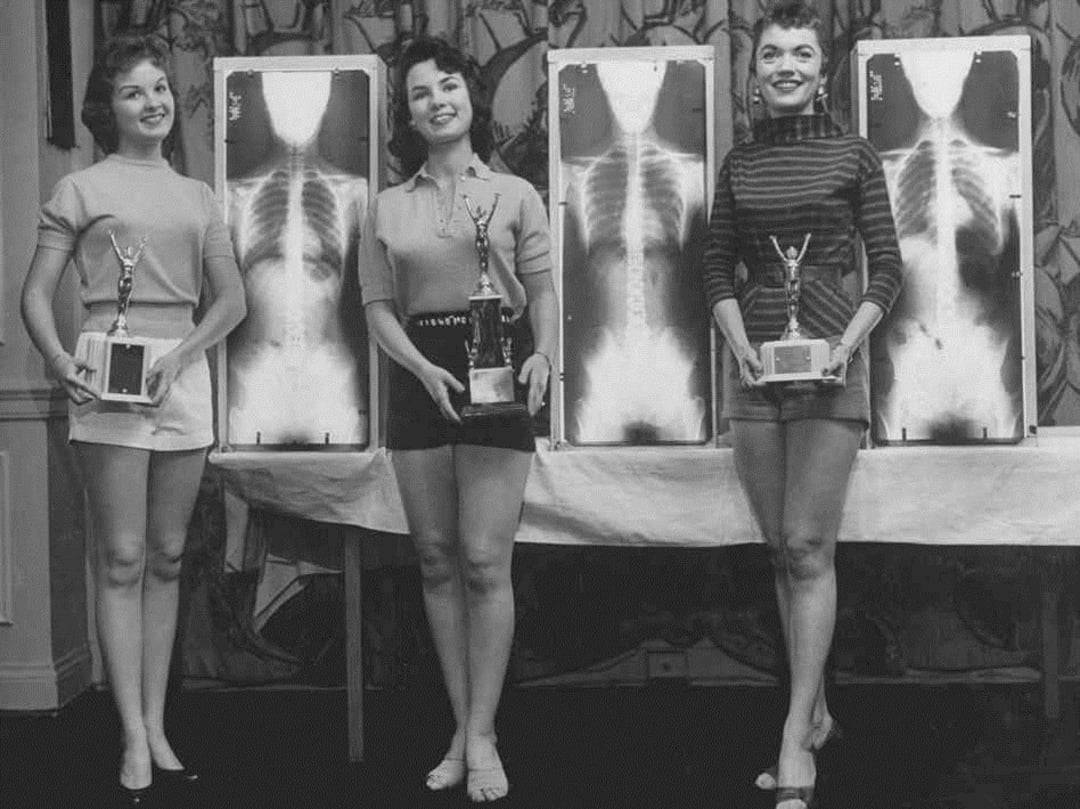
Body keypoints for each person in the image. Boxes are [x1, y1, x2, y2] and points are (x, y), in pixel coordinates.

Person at [21, 33, 246, 807]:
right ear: (106, 109)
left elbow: (232, 299)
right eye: (132, 92)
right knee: (121, 555)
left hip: (180, 375)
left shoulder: (199, 196)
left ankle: (155, 722)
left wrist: (183, 355)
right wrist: (60, 360)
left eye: (159, 89)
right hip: (105, 376)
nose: (152, 103)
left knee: (168, 554)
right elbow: (34, 293)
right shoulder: (79, 189)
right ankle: (129, 734)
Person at [703, 2, 903, 807]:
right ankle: (813, 710)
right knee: (782, 551)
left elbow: (887, 266)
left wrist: (848, 345)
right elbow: (715, 267)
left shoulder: (855, 155)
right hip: (755, 376)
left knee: (809, 545)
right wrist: (741, 346)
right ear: (753, 73)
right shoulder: (738, 164)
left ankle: (793, 736)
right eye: (772, 54)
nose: (786, 65)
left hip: (831, 375)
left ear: (823, 73)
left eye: (802, 54)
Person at [357, 36, 558, 803]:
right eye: (420, 93)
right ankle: (463, 726)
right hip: (421, 377)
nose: (437, 101)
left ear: (470, 97)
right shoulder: (385, 206)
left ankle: (479, 734)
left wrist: (545, 355)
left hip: (498, 367)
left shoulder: (516, 194)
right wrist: (417, 367)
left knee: (483, 562)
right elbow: (378, 308)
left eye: (447, 86)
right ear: (407, 115)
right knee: (437, 561)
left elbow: (543, 293)